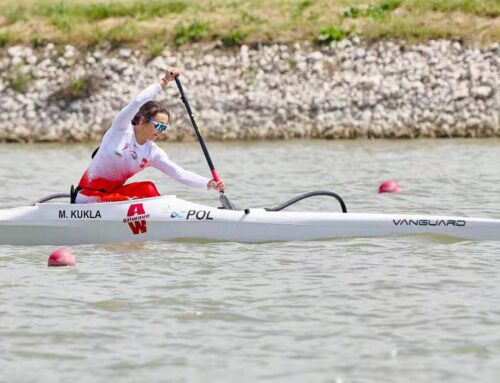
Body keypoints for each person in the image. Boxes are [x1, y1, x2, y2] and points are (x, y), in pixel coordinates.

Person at [74, 68, 224, 204]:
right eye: (158, 125)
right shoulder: (121, 129)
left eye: (164, 127)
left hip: (112, 197)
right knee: (136, 202)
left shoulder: (152, 152)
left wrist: (208, 183)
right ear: (143, 121)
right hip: (87, 197)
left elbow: (179, 173)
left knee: (148, 189)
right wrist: (163, 82)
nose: (161, 131)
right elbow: (137, 102)